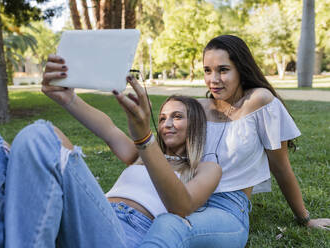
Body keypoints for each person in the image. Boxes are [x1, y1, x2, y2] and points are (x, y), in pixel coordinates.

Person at [0, 57, 221, 248]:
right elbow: (105, 126)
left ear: (195, 123)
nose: (166, 123)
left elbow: (182, 205)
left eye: (177, 117)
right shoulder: (140, 154)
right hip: (88, 217)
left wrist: (145, 137)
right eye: (162, 118)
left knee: (40, 136)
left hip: (125, 234)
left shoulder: (206, 168)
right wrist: (67, 97)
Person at [138, 35, 330, 247]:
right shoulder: (198, 108)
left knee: (170, 226)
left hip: (227, 207)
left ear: (241, 69)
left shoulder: (259, 101)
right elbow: (163, 154)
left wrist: (304, 218)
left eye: (223, 70)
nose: (213, 79)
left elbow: (281, 167)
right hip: (184, 196)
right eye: (207, 70)